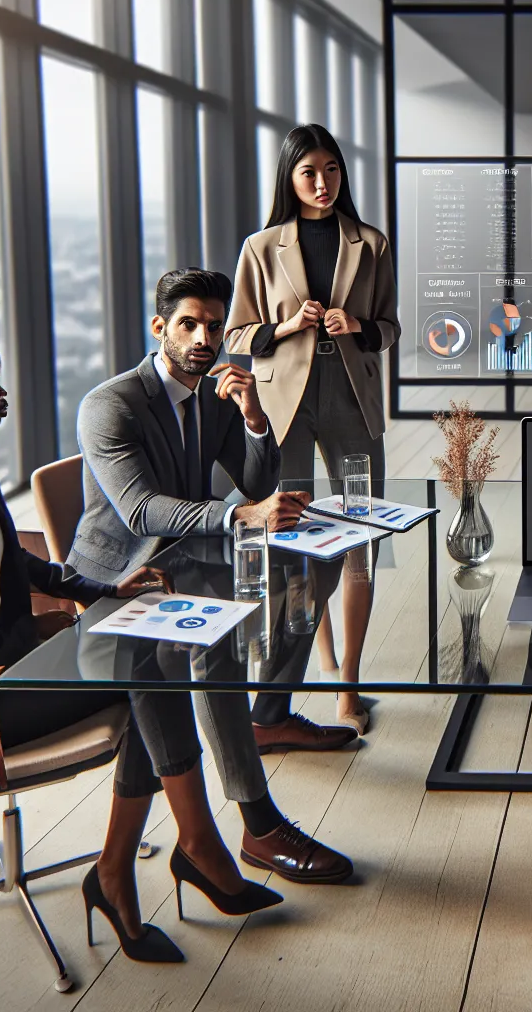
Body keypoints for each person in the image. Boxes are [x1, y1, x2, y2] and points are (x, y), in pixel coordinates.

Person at [0, 272, 274, 964]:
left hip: (8, 665)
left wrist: (101, 590)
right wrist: (42, 638)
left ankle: (131, 869)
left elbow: (20, 565)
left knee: (150, 652)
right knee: (150, 668)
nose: (2, 391)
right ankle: (181, 853)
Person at [70, 267, 356, 889]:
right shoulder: (110, 405)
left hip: (195, 555)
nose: (204, 337)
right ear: (159, 329)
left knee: (321, 559)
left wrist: (254, 415)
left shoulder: (212, 393)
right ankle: (258, 822)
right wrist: (238, 516)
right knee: (216, 639)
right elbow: (143, 509)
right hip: (124, 580)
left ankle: (271, 708)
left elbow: (255, 482)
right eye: (188, 324)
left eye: (213, 326)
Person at [223, 123, 400, 736]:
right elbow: (237, 334)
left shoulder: (370, 243)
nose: (322, 183)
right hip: (285, 404)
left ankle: (348, 683)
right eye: (308, 172)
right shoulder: (260, 246)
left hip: (352, 398)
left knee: (360, 537)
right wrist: (290, 325)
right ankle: (316, 664)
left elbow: (391, 328)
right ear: (289, 177)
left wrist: (357, 326)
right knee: (295, 537)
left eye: (331, 169)